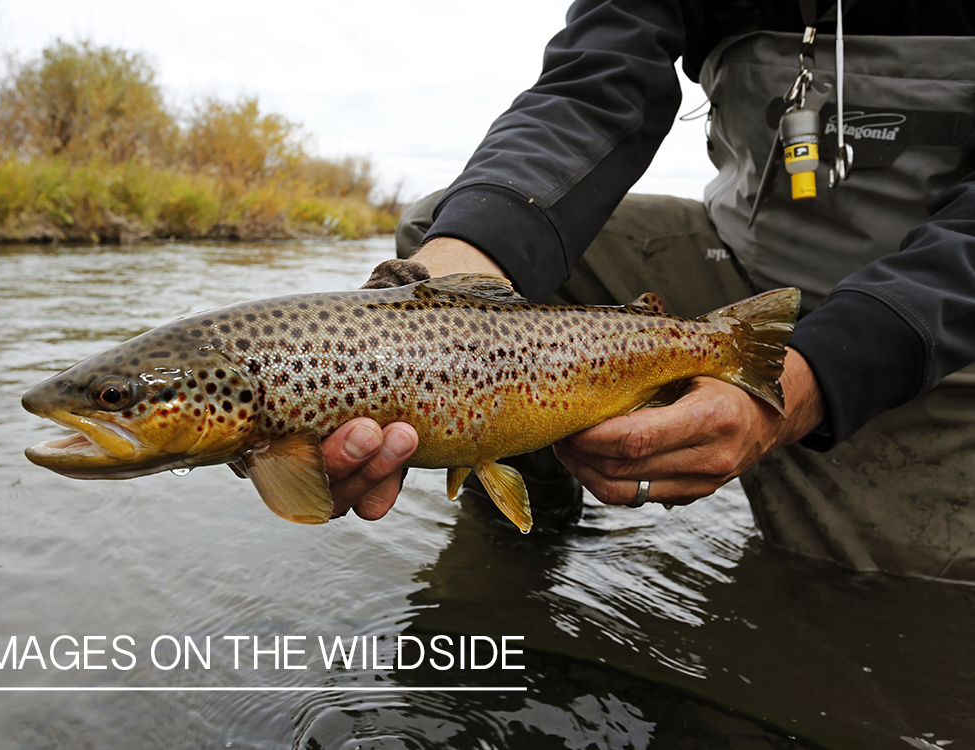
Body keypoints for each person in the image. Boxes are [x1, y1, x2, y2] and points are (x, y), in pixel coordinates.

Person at [318, 0, 975, 581]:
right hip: (736, 260)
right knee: (445, 228)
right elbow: (590, 91)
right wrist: (455, 275)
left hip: (935, 313)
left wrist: (809, 383)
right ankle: (523, 544)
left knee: (883, 608)